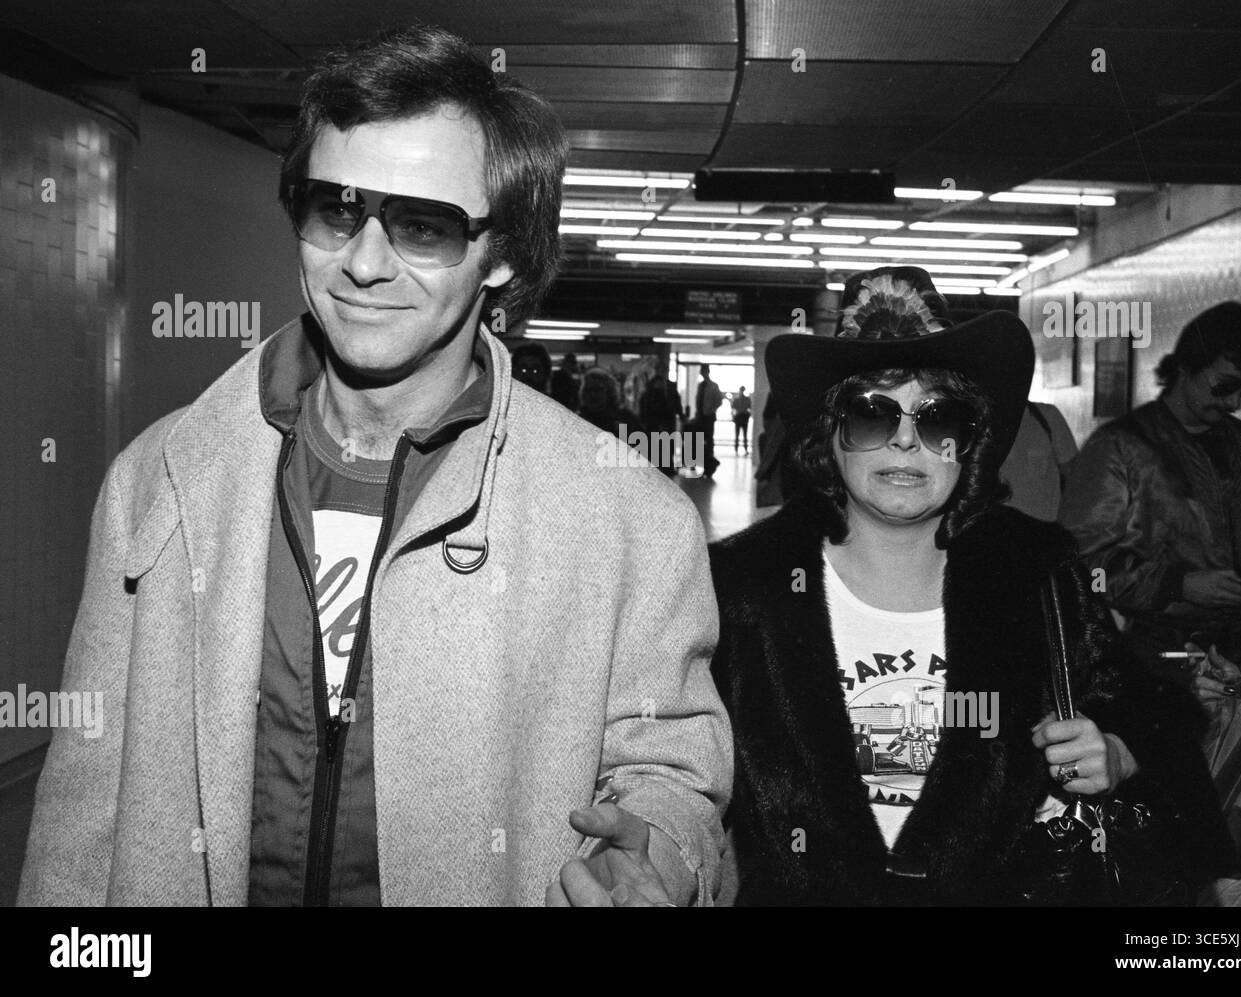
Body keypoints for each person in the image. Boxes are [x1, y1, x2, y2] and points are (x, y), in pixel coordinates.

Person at [19, 25, 730, 908]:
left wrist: (660, 847)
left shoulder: (629, 518)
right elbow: (88, 805)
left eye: (421, 226)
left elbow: (669, 764)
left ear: (501, 254)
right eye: (337, 209)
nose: (362, 262)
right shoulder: (159, 479)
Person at [708, 267, 1227, 905]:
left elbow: (1148, 711)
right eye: (872, 415)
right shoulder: (741, 586)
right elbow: (681, 768)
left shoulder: (1034, 570)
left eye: (937, 418)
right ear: (830, 436)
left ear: (967, 443)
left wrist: (1118, 751)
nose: (904, 438)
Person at [1060, 301, 1241, 683]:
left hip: (1237, 658)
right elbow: (1079, 563)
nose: (1235, 402)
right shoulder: (1120, 446)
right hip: (1159, 658)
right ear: (1186, 367)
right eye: (1224, 386)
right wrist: (1178, 584)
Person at [1001, 401, 1077, 521]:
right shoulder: (982, 421)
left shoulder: (1048, 415)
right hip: (999, 528)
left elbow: (1072, 473)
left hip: (1045, 526)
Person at [640, 358, 684, 477]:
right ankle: (657, 467)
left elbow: (676, 402)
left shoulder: (670, 386)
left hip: (668, 420)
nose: (662, 372)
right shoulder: (650, 385)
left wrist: (680, 415)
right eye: (660, 369)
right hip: (654, 421)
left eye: (664, 370)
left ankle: (668, 467)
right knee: (656, 444)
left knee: (668, 443)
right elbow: (646, 403)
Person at [696, 364, 724, 479]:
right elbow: (698, 401)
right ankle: (706, 463)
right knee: (701, 441)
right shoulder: (701, 386)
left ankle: (710, 465)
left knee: (708, 441)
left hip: (708, 417)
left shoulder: (713, 386)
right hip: (701, 417)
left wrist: (710, 410)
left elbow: (719, 401)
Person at [731, 386, 752, 454]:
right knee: (743, 435)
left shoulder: (737, 399)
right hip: (742, 417)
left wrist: (733, 416)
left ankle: (737, 449)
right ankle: (741, 449)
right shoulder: (745, 399)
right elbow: (749, 408)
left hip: (740, 417)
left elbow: (733, 409)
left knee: (738, 435)